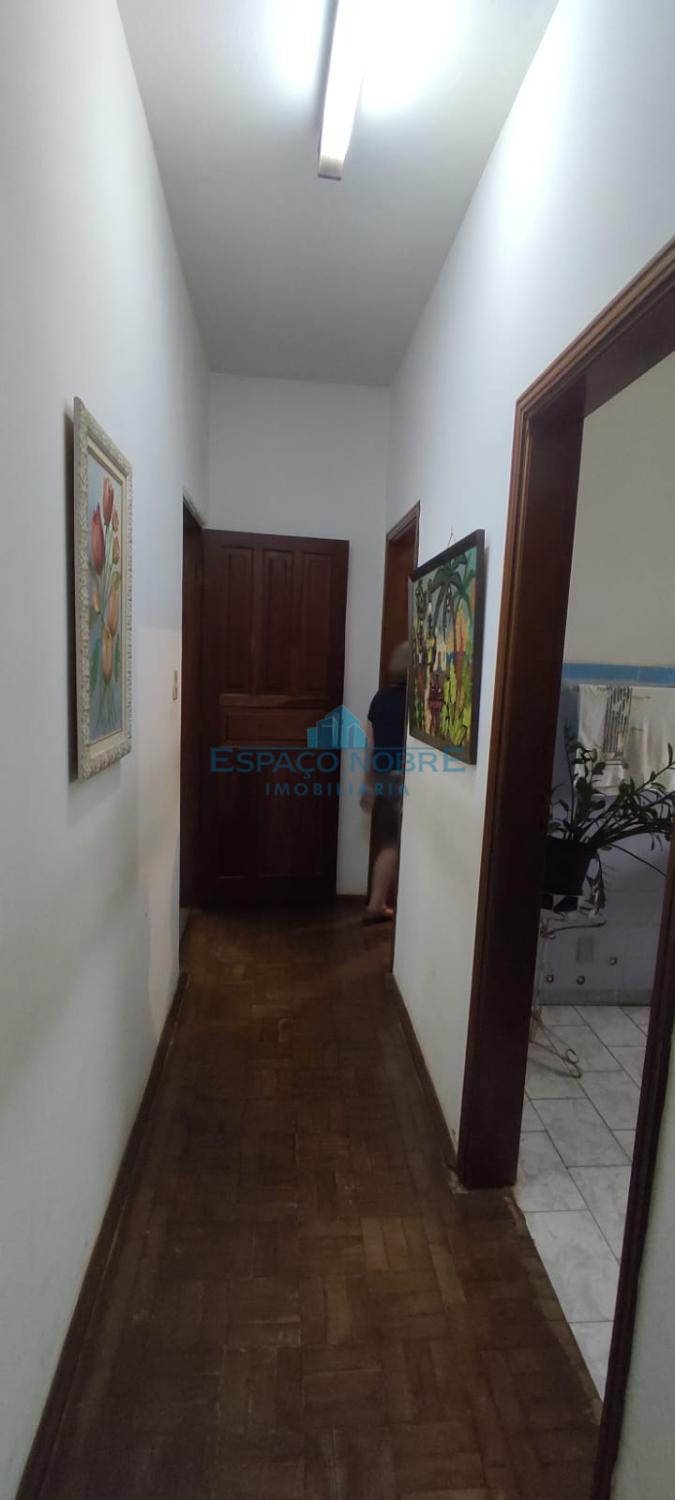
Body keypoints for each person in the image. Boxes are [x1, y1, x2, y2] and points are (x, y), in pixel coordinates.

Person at [361, 641, 408, 923]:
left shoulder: (380, 698)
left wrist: (367, 784)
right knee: (394, 845)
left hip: (382, 776)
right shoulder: (414, 702)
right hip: (402, 778)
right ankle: (377, 904)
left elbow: (369, 743)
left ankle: (377, 903)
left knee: (389, 843)